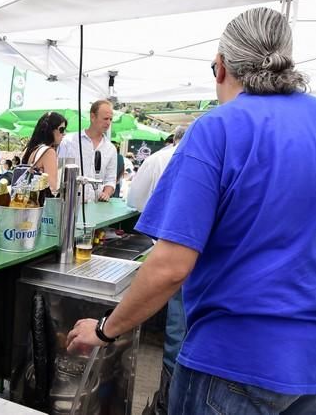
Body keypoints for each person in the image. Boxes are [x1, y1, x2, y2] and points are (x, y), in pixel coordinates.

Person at [66, 8, 316, 414]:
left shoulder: (219, 128)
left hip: (233, 363)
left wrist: (105, 330)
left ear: (220, 67)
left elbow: (171, 266)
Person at [124, 125, 187, 415]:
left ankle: (168, 401)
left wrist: (106, 330)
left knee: (177, 333)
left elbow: (135, 201)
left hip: (172, 253)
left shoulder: (166, 158)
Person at [58, 100, 117, 202]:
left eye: (111, 119)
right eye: (105, 118)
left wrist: (106, 193)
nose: (108, 123)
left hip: (96, 206)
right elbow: (59, 173)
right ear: (92, 117)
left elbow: (110, 180)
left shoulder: (111, 148)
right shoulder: (69, 141)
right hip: (69, 205)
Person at [127, 126, 187, 212]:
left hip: (159, 218)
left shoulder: (156, 158)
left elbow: (134, 198)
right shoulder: (207, 161)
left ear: (174, 140)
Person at [20, 111, 67, 193]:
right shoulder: (48, 152)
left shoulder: (32, 149)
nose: (64, 133)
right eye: (61, 129)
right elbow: (52, 189)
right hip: (42, 204)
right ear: (50, 130)